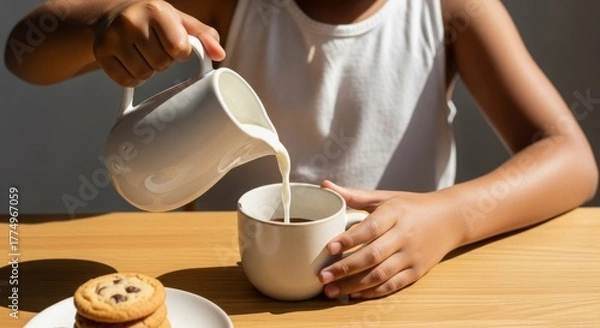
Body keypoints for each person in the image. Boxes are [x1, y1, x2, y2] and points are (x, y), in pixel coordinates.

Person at [5, 0, 598, 300]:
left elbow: (570, 157)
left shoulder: (450, 11)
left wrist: (452, 216)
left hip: (390, 290)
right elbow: (23, 52)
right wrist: (104, 24)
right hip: (226, 291)